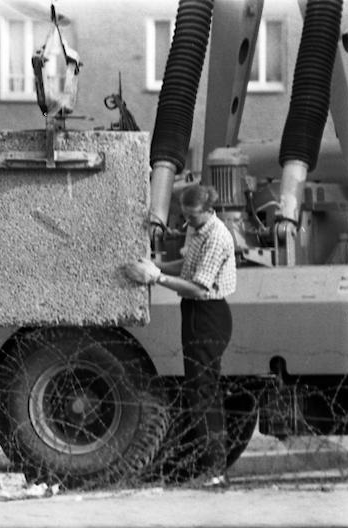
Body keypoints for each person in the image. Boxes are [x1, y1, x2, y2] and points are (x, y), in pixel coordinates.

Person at [123, 184, 236, 488]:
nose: (188, 222)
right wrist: (157, 265)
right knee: (197, 390)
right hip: (196, 313)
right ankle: (208, 466)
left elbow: (198, 287)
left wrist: (157, 278)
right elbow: (187, 267)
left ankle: (215, 470)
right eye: (185, 216)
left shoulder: (216, 237)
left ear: (209, 210)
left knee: (203, 392)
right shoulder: (198, 230)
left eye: (193, 216)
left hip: (208, 314)